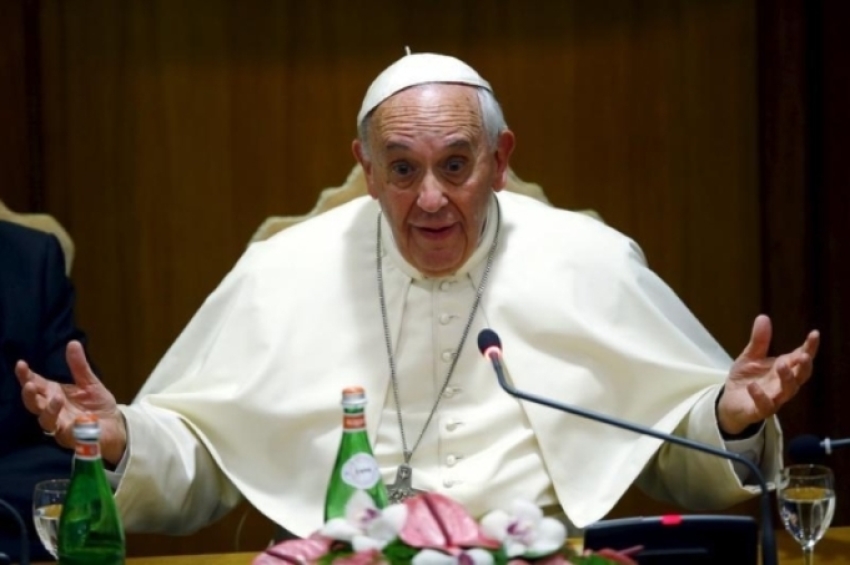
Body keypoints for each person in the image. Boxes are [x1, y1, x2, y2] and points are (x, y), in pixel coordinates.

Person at [18, 53, 819, 538]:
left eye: (456, 164)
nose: (430, 197)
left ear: (501, 159)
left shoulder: (592, 262)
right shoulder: (279, 272)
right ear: (366, 169)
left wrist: (726, 418)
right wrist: (123, 436)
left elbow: (669, 450)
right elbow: (202, 463)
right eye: (401, 169)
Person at [0, 220, 96, 561]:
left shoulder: (32, 256)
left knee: (72, 478)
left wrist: (57, 411)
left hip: (10, 481)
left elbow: (76, 415)